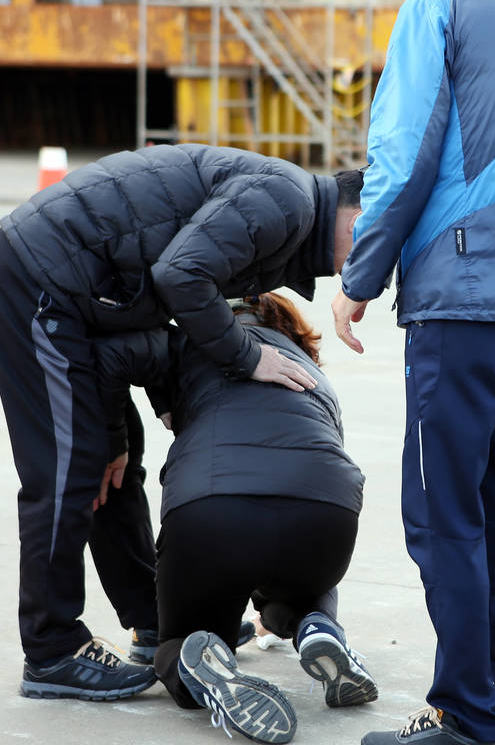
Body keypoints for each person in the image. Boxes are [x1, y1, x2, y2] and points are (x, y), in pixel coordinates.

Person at [0, 145, 363, 699]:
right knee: (63, 468)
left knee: (114, 457)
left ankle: (150, 616)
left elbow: (167, 288)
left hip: (88, 294)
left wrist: (136, 414)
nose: (384, 268)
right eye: (388, 245)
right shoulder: (289, 200)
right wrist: (247, 357)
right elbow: (182, 276)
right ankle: (51, 648)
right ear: (361, 215)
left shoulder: (290, 215)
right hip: (41, 280)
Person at [330, 0, 495, 745]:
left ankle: (470, 718)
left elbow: (401, 158)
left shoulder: (438, 10)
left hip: (464, 302)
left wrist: (358, 278)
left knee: (448, 512)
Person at [95, 292, 377, 743]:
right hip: (325, 517)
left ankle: (206, 661)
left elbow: (106, 356)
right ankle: (316, 627)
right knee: (302, 576)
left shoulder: (184, 346)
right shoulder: (314, 376)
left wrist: (114, 439)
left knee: (177, 645)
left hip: (212, 514)